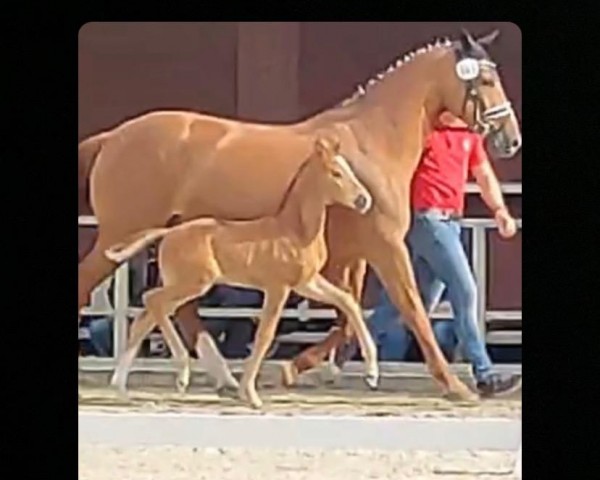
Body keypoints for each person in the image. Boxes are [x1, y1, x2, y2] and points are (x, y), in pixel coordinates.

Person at [368, 112, 521, 397]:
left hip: (451, 221)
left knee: (407, 302)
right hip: (429, 219)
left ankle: (339, 351)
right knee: (465, 291)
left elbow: (483, 173)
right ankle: (484, 373)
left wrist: (499, 209)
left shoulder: (469, 136)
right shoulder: (427, 133)